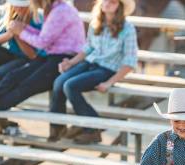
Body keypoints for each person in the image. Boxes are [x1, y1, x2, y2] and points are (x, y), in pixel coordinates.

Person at [0, 0, 85, 129]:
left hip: (63, 60)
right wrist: (22, 29)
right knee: (11, 78)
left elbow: (41, 42)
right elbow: (42, 37)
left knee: (22, 88)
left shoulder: (58, 11)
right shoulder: (54, 10)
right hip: (53, 58)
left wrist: (20, 32)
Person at [50, 0, 138, 144]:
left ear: (119, 6)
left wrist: (109, 83)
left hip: (107, 69)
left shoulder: (128, 29)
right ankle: (57, 128)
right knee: (59, 82)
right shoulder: (96, 23)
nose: (107, 3)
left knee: (70, 86)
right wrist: (71, 63)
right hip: (89, 63)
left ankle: (93, 129)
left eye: (113, 2)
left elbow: (130, 63)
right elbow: (88, 48)